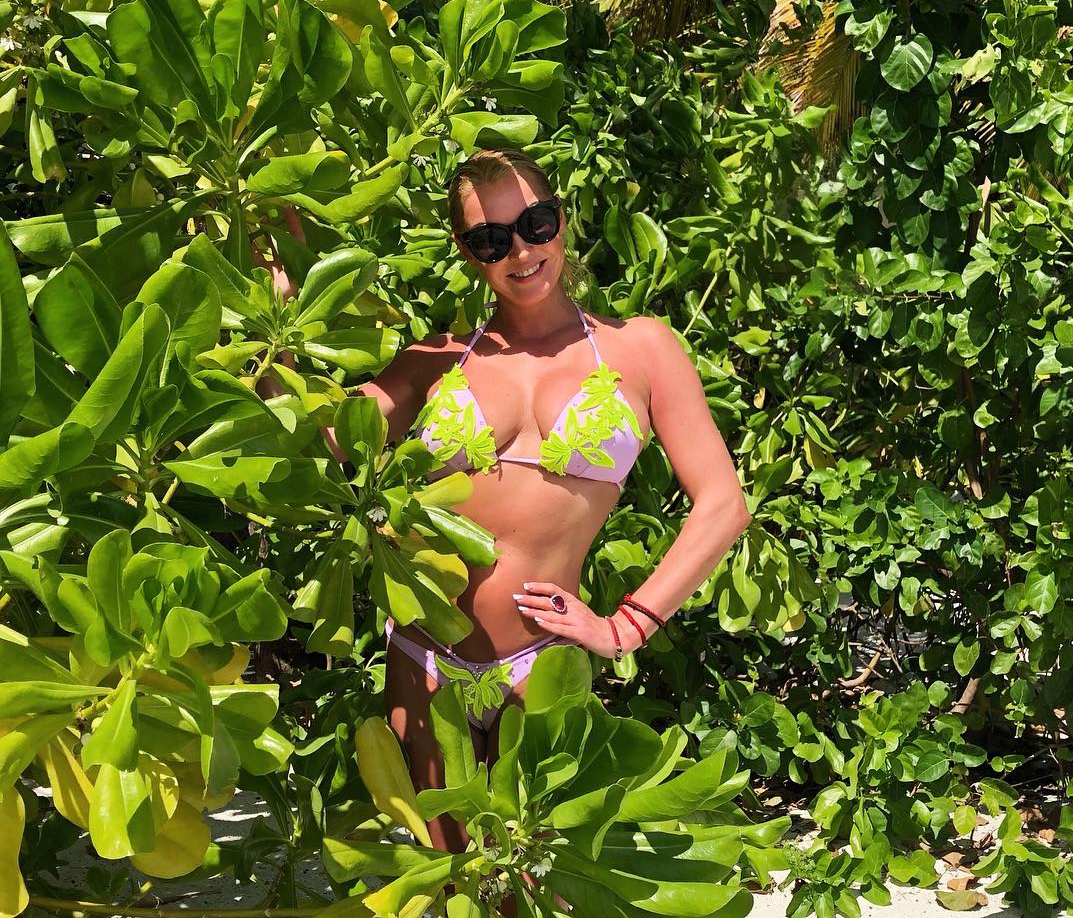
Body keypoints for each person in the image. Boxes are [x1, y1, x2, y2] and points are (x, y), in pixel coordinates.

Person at [254, 149, 752, 858]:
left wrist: (626, 627)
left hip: (543, 659)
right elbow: (319, 440)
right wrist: (277, 320)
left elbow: (723, 504)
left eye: (535, 224)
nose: (520, 250)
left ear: (561, 220)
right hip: (425, 657)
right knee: (454, 878)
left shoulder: (640, 348)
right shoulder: (436, 358)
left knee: (533, 884)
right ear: (467, 252)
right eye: (490, 239)